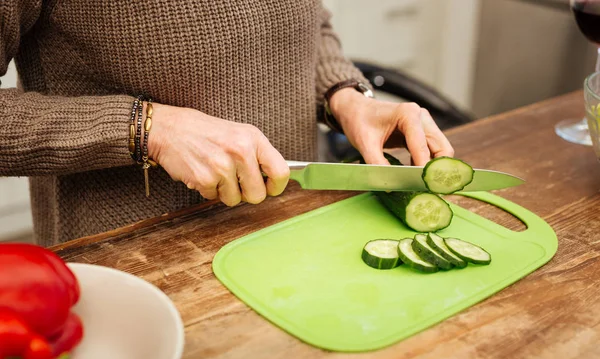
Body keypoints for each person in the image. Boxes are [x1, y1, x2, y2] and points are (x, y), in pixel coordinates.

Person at [0, 1, 454, 247]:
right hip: (143, 261)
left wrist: (345, 96)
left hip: (300, 228)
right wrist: (146, 129)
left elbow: (307, 20)